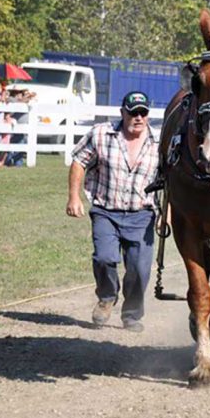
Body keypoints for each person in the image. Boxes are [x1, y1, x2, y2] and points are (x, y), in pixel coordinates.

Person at [66, 91, 159, 332]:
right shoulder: (101, 134)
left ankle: (131, 315)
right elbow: (79, 161)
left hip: (142, 214)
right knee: (105, 258)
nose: (138, 117)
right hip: (106, 210)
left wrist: (168, 213)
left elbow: (169, 180)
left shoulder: (160, 144)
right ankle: (107, 297)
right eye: (133, 112)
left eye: (143, 112)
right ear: (122, 113)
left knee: (139, 269)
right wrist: (74, 197)